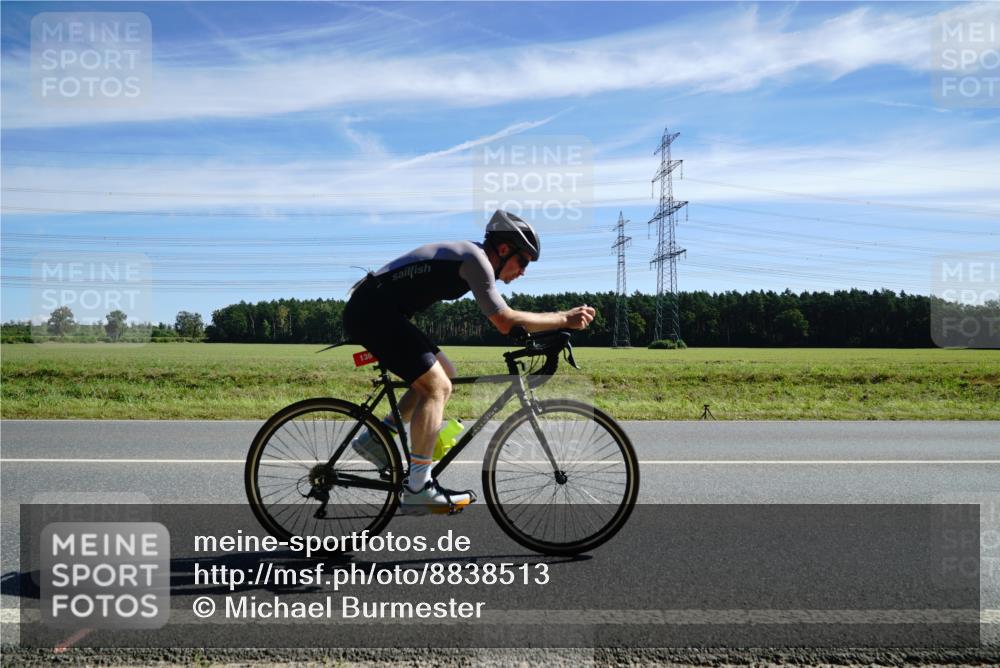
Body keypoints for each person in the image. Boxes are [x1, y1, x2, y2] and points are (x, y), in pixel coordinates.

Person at [342, 209, 595, 514]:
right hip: (373, 313)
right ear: (503, 249)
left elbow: (507, 322)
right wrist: (562, 319)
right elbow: (504, 320)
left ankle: (377, 438)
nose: (524, 271)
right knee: (436, 387)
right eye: (523, 261)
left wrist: (551, 327)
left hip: (382, 312)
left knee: (445, 373)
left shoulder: (473, 258)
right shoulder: (475, 260)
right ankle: (418, 487)